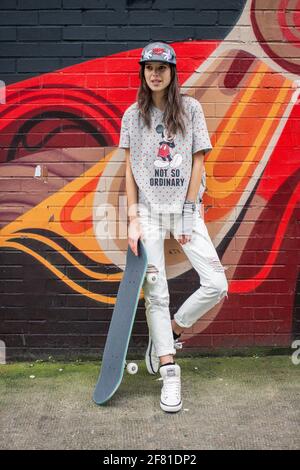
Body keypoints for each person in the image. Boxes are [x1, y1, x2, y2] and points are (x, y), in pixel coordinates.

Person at [119, 41, 228, 413]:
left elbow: (198, 163)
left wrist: (186, 210)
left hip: (185, 209)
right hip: (148, 212)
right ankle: (168, 368)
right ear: (142, 72)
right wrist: (133, 218)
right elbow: (130, 170)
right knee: (157, 290)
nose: (154, 74)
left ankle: (175, 330)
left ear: (172, 73)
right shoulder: (132, 115)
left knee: (216, 283)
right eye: (149, 68)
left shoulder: (192, 110)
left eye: (161, 68)